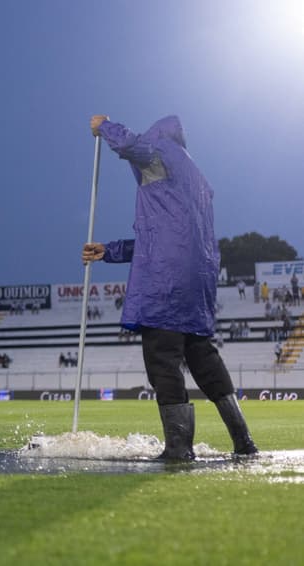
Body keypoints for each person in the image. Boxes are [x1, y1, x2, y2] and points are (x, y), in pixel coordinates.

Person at [82, 114, 257, 461]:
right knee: (204, 360)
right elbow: (163, 239)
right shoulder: (196, 182)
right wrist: (110, 251)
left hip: (166, 285)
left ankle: (179, 448)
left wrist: (104, 125)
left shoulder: (160, 152)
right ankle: (244, 442)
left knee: (163, 360)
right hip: (197, 286)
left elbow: (132, 145)